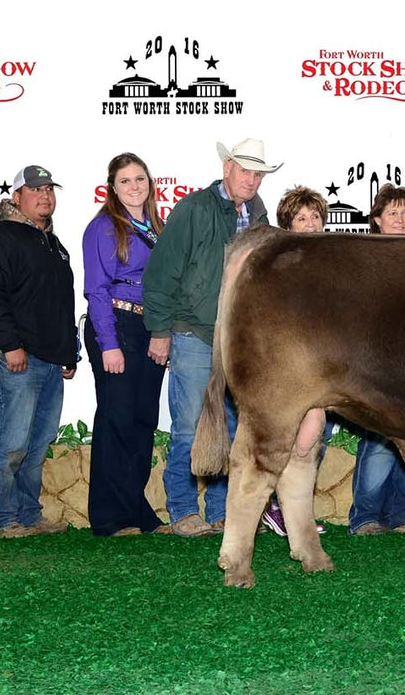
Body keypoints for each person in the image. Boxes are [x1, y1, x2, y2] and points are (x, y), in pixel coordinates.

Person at [143, 138, 280, 537]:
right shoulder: (194, 208)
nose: (252, 180)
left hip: (239, 339)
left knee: (234, 428)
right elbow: (162, 272)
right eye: (245, 171)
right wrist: (159, 330)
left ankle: (221, 511)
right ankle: (183, 511)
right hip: (194, 332)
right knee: (189, 425)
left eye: (258, 173)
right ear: (227, 169)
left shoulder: (259, 216)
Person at [0, 165, 78, 540]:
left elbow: (59, 304)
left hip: (48, 359)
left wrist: (69, 352)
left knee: (35, 445)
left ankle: (27, 516)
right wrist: (10, 345)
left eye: (49, 188)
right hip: (11, 357)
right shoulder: (1, 237)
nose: (44, 195)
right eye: (35, 189)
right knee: (10, 441)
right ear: (17, 197)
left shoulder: (53, 243)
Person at [82, 153, 168, 537]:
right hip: (115, 323)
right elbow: (96, 290)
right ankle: (108, 516)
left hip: (149, 326)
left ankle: (135, 508)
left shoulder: (157, 226)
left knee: (143, 421)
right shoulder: (103, 228)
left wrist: (163, 331)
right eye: (126, 181)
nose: (134, 187)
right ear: (112, 188)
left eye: (140, 179)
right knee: (116, 419)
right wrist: (108, 344)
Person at [347, 184, 405, 535]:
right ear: (377, 220)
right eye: (393, 213)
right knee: (380, 435)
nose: (400, 219)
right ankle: (364, 516)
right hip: (377, 358)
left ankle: (401, 514)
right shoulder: (364, 258)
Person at [258, 186, 333, 537]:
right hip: (286, 359)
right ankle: (276, 502)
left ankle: (289, 507)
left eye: (315, 216)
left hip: (321, 361)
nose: (310, 223)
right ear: (288, 224)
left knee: (314, 433)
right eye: (301, 218)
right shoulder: (279, 260)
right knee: (299, 429)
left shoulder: (328, 262)